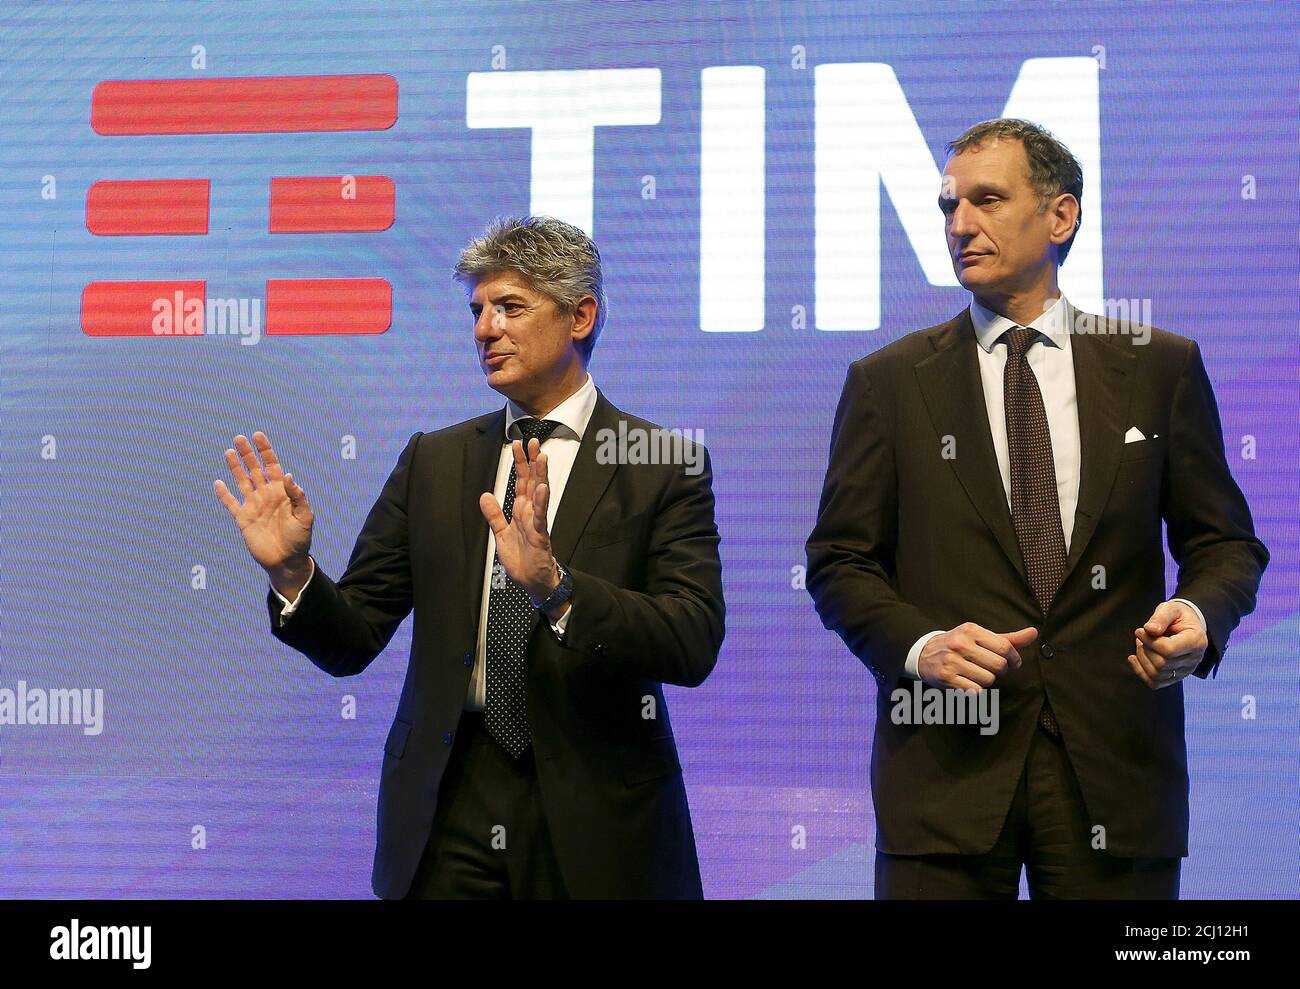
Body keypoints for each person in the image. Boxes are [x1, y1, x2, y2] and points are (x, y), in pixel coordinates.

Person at [806, 118, 1267, 899]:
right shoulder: (887, 382)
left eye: (987, 199)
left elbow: (1226, 543)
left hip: (1117, 776)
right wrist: (922, 647)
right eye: (949, 205)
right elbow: (839, 563)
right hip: (945, 778)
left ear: (1061, 216)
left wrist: (1198, 612)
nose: (959, 225)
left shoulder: (1160, 366)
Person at [215, 215, 724, 899]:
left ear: (581, 315)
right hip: (447, 807)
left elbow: (690, 640)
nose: (485, 328)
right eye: (477, 310)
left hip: (597, 811)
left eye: (510, 306)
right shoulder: (436, 460)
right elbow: (355, 636)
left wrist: (557, 588)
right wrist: (292, 573)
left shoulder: (661, 463)